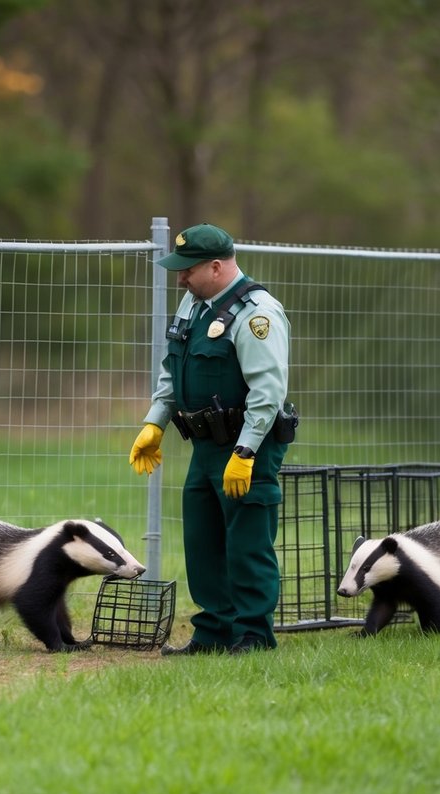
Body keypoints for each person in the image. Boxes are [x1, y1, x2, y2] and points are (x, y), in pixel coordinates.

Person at [129, 222, 294, 655]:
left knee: (247, 543)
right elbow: (172, 367)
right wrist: (155, 422)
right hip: (204, 447)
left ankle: (253, 635)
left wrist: (245, 452)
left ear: (217, 267)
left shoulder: (257, 314)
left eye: (188, 270)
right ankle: (213, 633)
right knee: (202, 541)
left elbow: (268, 392)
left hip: (245, 446)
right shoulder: (194, 304)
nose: (180, 277)